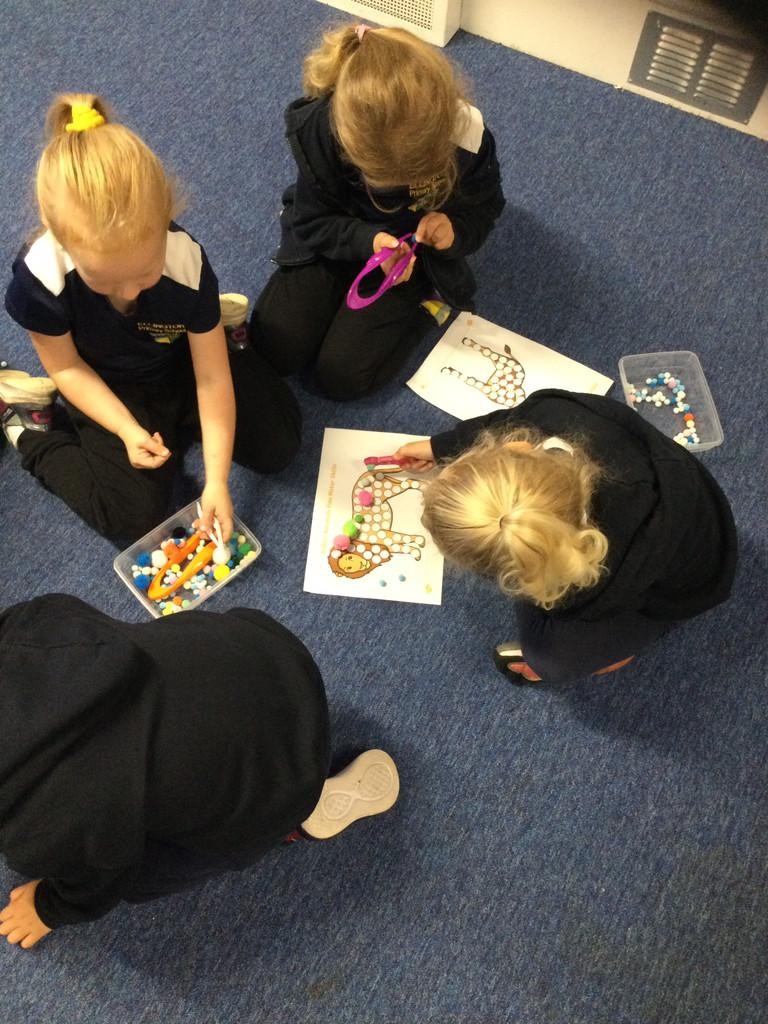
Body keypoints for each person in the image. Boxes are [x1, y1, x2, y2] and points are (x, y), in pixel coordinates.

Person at [0, 593, 400, 949]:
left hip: (283, 787)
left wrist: (49, 907)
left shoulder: (33, 827)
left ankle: (292, 825)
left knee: (140, 872)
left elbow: (99, 881)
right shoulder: (27, 626)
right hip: (277, 660)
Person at [2, 93, 302, 542]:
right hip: (108, 385)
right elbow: (67, 368)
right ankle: (30, 427)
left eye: (145, 273)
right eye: (105, 281)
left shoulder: (185, 263)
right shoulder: (42, 277)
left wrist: (217, 480)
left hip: (180, 359)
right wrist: (126, 429)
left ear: (164, 222)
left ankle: (213, 325)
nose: (128, 293)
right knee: (132, 518)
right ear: (61, 239)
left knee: (280, 443)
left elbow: (212, 378)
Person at [395, 389, 737, 684]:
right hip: (695, 499)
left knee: (547, 657)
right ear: (514, 447)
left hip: (689, 584)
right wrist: (440, 446)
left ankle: (620, 651)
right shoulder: (551, 414)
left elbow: (565, 601)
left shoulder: (590, 580)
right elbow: (503, 422)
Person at [251, 23, 505, 400]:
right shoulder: (325, 126)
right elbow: (311, 221)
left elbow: (486, 205)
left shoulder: (466, 139)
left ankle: (427, 305)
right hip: (334, 235)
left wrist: (455, 230)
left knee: (341, 378)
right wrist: (368, 241)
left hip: (411, 260)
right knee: (273, 349)